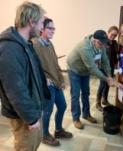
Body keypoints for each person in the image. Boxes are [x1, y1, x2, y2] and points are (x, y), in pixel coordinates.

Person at [0, 2, 49, 151]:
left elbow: (30, 71)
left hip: (33, 106)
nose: (42, 27)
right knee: (26, 146)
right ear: (31, 22)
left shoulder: (24, 43)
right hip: (22, 114)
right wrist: (31, 117)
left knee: (34, 143)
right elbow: (15, 89)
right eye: (41, 22)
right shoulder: (9, 48)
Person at [32, 18, 73, 146]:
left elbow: (55, 64)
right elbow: (32, 66)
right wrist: (43, 79)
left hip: (56, 82)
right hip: (47, 85)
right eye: (50, 28)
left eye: (54, 28)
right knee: (48, 110)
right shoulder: (34, 44)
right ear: (41, 29)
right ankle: (45, 135)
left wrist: (61, 80)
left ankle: (58, 130)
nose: (53, 31)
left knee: (62, 106)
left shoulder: (49, 44)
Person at [67, 30, 113, 129]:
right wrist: (106, 79)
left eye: (104, 43)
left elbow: (105, 61)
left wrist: (109, 75)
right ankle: (76, 118)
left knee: (86, 92)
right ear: (94, 40)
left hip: (85, 70)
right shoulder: (85, 48)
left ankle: (86, 114)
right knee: (75, 94)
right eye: (101, 43)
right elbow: (92, 68)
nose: (103, 46)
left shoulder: (101, 45)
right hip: (74, 70)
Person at [96, 26, 119, 111]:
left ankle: (104, 100)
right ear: (108, 33)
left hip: (111, 66)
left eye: (115, 35)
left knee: (108, 84)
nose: (113, 36)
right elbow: (98, 55)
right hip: (103, 67)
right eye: (112, 34)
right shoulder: (103, 43)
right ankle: (98, 103)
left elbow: (116, 55)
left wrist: (116, 64)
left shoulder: (115, 43)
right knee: (102, 84)